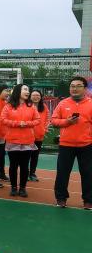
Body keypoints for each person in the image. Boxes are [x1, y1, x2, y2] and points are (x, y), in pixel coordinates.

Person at [51, 76, 92, 209]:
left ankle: (88, 200)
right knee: (62, 173)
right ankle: (61, 198)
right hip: (66, 145)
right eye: (72, 86)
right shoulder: (63, 103)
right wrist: (67, 122)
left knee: (88, 174)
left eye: (78, 86)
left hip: (86, 145)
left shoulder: (91, 103)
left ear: (85, 89)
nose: (75, 88)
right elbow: (54, 121)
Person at [1, 84, 40, 197]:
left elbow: (37, 120)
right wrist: (17, 124)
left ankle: (22, 188)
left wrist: (26, 124)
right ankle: (13, 187)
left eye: (28, 90)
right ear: (18, 91)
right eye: (25, 89)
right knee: (13, 165)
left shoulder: (31, 106)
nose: (28, 92)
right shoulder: (8, 106)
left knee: (24, 166)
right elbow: (3, 119)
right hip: (13, 140)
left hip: (27, 140)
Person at [29, 89, 50, 182]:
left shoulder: (44, 107)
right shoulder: (27, 106)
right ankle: (25, 173)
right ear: (30, 97)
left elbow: (48, 119)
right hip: (27, 136)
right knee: (26, 156)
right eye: (33, 95)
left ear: (41, 97)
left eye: (38, 95)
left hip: (39, 136)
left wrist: (44, 129)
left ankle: (32, 173)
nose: (36, 97)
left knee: (35, 156)